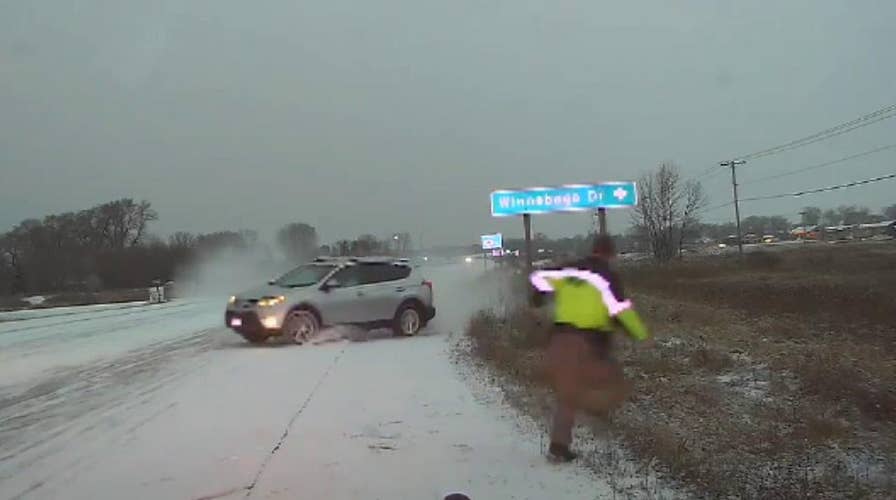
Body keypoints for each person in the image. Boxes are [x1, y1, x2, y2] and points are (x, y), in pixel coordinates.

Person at [529, 234, 651, 462]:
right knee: (612, 380)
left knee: (568, 392)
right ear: (609, 254)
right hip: (588, 343)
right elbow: (620, 310)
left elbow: (539, 283)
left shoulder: (570, 271)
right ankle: (598, 418)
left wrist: (537, 302)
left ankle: (559, 444)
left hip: (559, 339)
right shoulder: (608, 276)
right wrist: (640, 334)